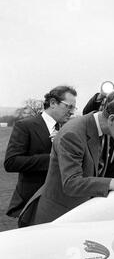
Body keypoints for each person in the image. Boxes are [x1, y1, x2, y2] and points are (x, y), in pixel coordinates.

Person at [3, 86, 77, 218]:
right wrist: (52, 159)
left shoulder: (68, 130)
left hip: (62, 204)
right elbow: (11, 162)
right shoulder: (25, 126)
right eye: (69, 107)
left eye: (73, 108)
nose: (71, 112)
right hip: (32, 202)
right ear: (53, 103)